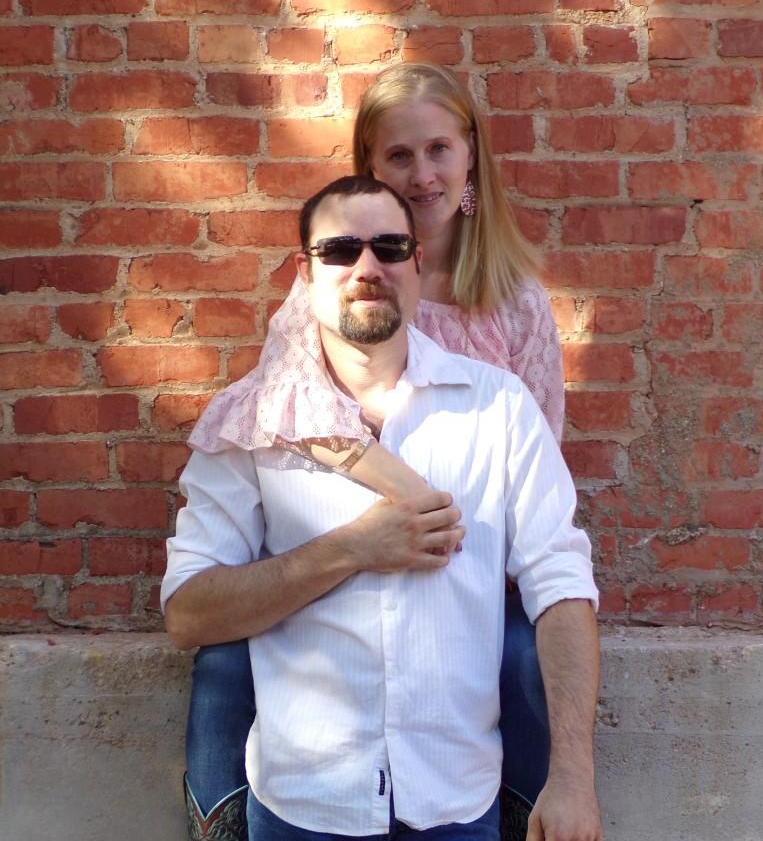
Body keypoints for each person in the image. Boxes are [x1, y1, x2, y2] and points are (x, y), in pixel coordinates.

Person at [178, 63, 575, 840]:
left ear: (470, 154)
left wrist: (449, 541)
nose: (423, 175)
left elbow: (539, 450)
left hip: (465, 559)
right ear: (370, 166)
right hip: (352, 534)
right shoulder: (335, 281)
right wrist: (412, 508)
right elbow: (293, 413)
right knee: (228, 654)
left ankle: (523, 810)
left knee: (523, 655)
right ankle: (221, 819)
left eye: (438, 150)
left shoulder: (516, 300)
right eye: (399, 156)